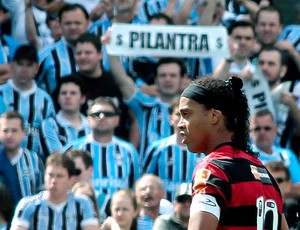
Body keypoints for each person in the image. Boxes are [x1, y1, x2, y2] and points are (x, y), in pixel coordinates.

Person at [177, 76, 288, 229]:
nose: (180, 124)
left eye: (186, 114)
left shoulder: (212, 170)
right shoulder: (265, 174)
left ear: (214, 116)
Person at [64, 96, 141, 197]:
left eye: (108, 114)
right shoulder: (74, 149)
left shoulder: (129, 151)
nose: (102, 117)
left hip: (119, 211)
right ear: (88, 120)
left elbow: (135, 187)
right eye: (96, 114)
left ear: (117, 120)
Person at [10, 153, 99, 230]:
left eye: (59, 176)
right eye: (50, 175)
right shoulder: (27, 205)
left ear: (71, 180)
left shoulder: (83, 204)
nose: (53, 181)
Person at [0, 45, 56, 158]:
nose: (24, 70)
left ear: (37, 68)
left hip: (36, 165)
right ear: (12, 66)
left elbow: (51, 137)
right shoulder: (1, 94)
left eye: (29, 65)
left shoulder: (46, 101)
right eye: (20, 64)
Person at [143, 97, 204, 202]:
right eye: (178, 114)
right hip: (163, 209)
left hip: (194, 207)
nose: (182, 119)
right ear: (170, 119)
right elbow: (144, 180)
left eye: (187, 114)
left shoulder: (204, 150)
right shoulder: (157, 149)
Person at [36, 3, 90, 94]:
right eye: (68, 23)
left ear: (87, 24)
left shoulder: (100, 51)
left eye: (77, 23)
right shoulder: (46, 54)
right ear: (60, 24)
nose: (73, 27)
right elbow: (29, 84)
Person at [250, 108, 300, 197]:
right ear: (250, 131)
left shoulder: (287, 155)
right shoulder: (246, 156)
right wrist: (286, 187)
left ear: (275, 130)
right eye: (257, 128)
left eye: (267, 128)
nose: (262, 132)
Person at [0, 111, 44, 204]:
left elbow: (42, 192)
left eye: (14, 130)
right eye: (5, 130)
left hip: (27, 216)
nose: (9, 135)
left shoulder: (34, 160)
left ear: (23, 132)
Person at [40, 76, 91, 156]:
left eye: (73, 93)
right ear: (58, 98)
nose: (68, 96)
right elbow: (56, 158)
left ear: (83, 99)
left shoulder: (91, 125)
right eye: (64, 93)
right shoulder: (49, 125)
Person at [66, 149, 111, 222]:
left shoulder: (107, 203)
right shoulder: (58, 203)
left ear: (90, 171)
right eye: (69, 173)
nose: (72, 177)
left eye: (76, 172)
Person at [265, 161, 300, 229]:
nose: (275, 184)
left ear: (288, 183)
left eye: (279, 180)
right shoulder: (256, 210)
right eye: (270, 180)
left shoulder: (296, 210)